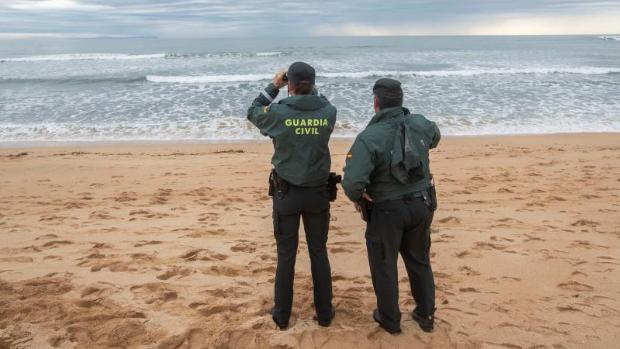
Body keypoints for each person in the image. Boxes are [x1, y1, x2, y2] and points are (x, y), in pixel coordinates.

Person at [342, 78, 441, 334]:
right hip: (421, 204)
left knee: (384, 265)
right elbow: (435, 136)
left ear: (376, 103)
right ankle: (426, 314)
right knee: (419, 260)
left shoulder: (369, 137)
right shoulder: (420, 123)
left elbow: (352, 182)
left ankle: (390, 319)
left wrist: (359, 197)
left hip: (386, 210)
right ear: (400, 101)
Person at [247, 62, 337, 330]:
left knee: (286, 255)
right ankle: (324, 314)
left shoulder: (278, 112)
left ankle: (282, 315)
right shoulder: (328, 112)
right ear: (312, 84)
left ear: (290, 85)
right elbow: (321, 101)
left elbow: (253, 111)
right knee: (318, 252)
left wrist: (275, 86)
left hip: (287, 193)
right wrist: (305, 87)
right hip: (318, 193)